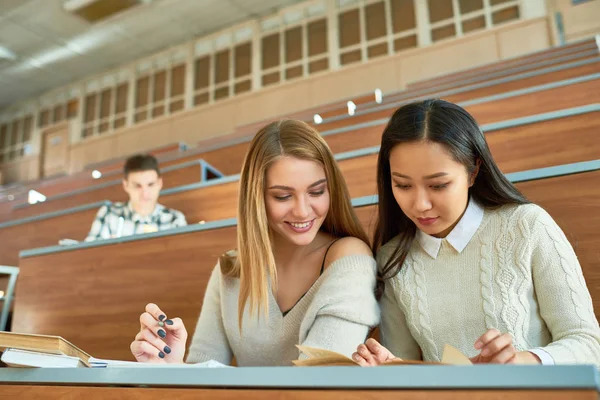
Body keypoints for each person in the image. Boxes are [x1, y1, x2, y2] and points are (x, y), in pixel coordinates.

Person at [353, 99, 600, 366]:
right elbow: (410, 370)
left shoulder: (527, 226)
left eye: (438, 185)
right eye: (402, 185)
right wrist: (391, 369)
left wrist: (524, 362)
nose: (420, 204)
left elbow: (588, 344)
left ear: (473, 172)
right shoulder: (393, 259)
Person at [130, 119, 380, 366]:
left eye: (316, 192)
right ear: (256, 197)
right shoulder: (230, 269)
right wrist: (172, 368)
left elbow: (315, 384)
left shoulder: (350, 259)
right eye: (283, 196)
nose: (303, 211)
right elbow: (204, 375)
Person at [84, 154, 187, 241]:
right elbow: (89, 257)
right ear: (125, 185)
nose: (145, 193)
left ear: (160, 183)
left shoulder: (175, 220)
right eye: (137, 186)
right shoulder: (108, 214)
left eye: (150, 185)